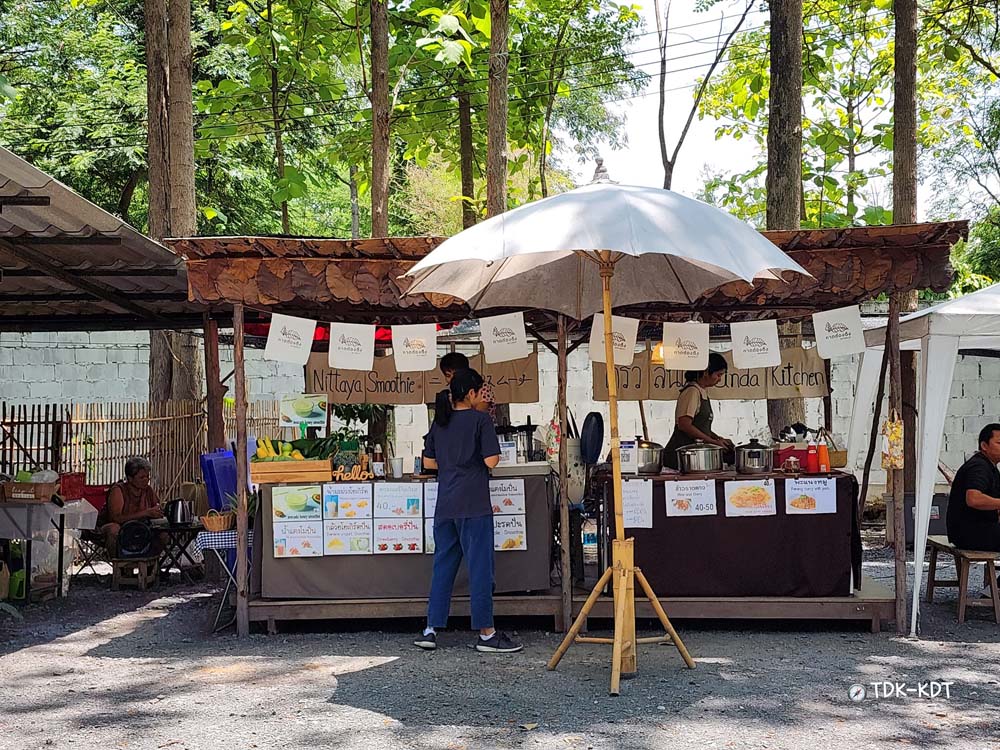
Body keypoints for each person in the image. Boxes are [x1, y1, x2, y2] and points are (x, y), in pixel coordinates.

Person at [414, 368, 522, 653]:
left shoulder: (441, 422)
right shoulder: (480, 421)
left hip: (446, 504)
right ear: (472, 393)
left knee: (443, 566)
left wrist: (453, 463)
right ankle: (487, 633)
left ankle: (430, 629)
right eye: (480, 392)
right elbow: (492, 461)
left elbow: (429, 462)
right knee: (480, 568)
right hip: (474, 504)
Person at [662, 352, 734, 470]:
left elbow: (701, 427)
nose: (720, 379)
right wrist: (713, 442)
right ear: (706, 372)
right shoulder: (692, 392)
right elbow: (684, 424)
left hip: (694, 457)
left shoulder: (702, 392)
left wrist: (718, 439)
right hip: (681, 456)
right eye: (718, 375)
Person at [946, 424, 1000, 552]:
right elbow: (973, 499)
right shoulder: (979, 467)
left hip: (978, 529)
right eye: (999, 443)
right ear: (984, 446)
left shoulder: (990, 467)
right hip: (970, 533)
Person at [97, 457, 164, 557]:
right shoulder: (118, 490)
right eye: (141, 478)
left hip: (142, 528)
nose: (146, 480)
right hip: (120, 529)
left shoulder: (148, 490)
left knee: (164, 534)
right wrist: (145, 513)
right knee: (113, 529)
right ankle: (120, 567)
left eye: (147, 477)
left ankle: (151, 566)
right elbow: (116, 518)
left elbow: (157, 507)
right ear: (130, 478)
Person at [440, 351, 496, 419]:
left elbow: (477, 415)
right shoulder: (453, 391)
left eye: (456, 375)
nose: (453, 379)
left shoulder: (482, 388)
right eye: (448, 375)